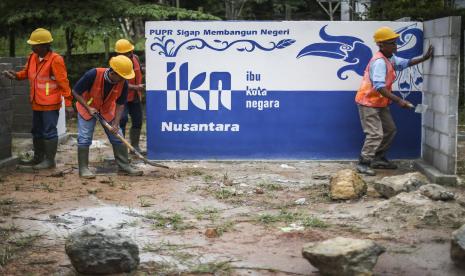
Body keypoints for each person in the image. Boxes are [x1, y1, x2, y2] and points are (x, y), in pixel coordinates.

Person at [355, 26, 433, 176]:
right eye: (392, 43)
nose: (395, 46)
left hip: (379, 102)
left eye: (395, 42)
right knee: (375, 134)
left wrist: (424, 58)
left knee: (390, 130)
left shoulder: (390, 58)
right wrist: (399, 100)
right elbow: (379, 86)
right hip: (368, 103)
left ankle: (378, 158)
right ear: (382, 45)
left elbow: (404, 63)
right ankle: (364, 163)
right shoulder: (379, 62)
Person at [2, 28, 73, 169]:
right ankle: (38, 157)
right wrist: (15, 75)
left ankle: (49, 160)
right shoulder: (32, 57)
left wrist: (69, 104)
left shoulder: (55, 60)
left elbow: (63, 82)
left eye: (35, 44)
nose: (32, 46)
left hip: (50, 104)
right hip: (36, 102)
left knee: (49, 131)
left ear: (45, 45)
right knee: (36, 131)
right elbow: (26, 73)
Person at [72, 55, 143, 178]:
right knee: (84, 138)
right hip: (86, 108)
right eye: (122, 76)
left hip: (106, 110)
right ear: (113, 72)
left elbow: (120, 104)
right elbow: (75, 92)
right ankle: (83, 169)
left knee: (118, 136)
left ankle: (124, 166)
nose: (124, 79)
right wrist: (88, 108)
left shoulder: (123, 83)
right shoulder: (93, 74)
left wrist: (115, 123)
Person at [114, 39, 145, 153]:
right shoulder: (116, 63)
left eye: (128, 53)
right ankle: (121, 148)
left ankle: (135, 147)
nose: (126, 55)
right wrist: (136, 87)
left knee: (137, 120)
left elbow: (140, 71)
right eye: (123, 53)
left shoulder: (135, 58)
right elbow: (120, 82)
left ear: (131, 51)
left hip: (135, 96)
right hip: (121, 97)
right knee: (122, 119)